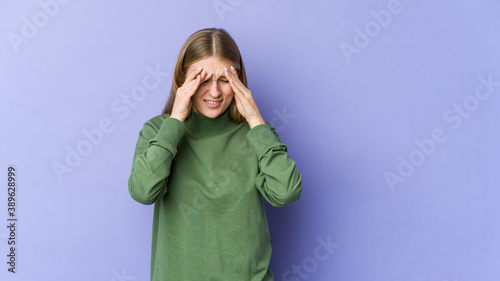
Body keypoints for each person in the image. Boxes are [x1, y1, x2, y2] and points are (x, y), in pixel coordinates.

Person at [128, 27, 302, 281]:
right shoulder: (159, 131)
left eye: (224, 80)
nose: (214, 92)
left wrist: (255, 119)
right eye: (203, 80)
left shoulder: (256, 134)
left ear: (239, 82)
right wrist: (175, 120)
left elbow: (286, 193)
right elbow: (143, 191)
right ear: (182, 80)